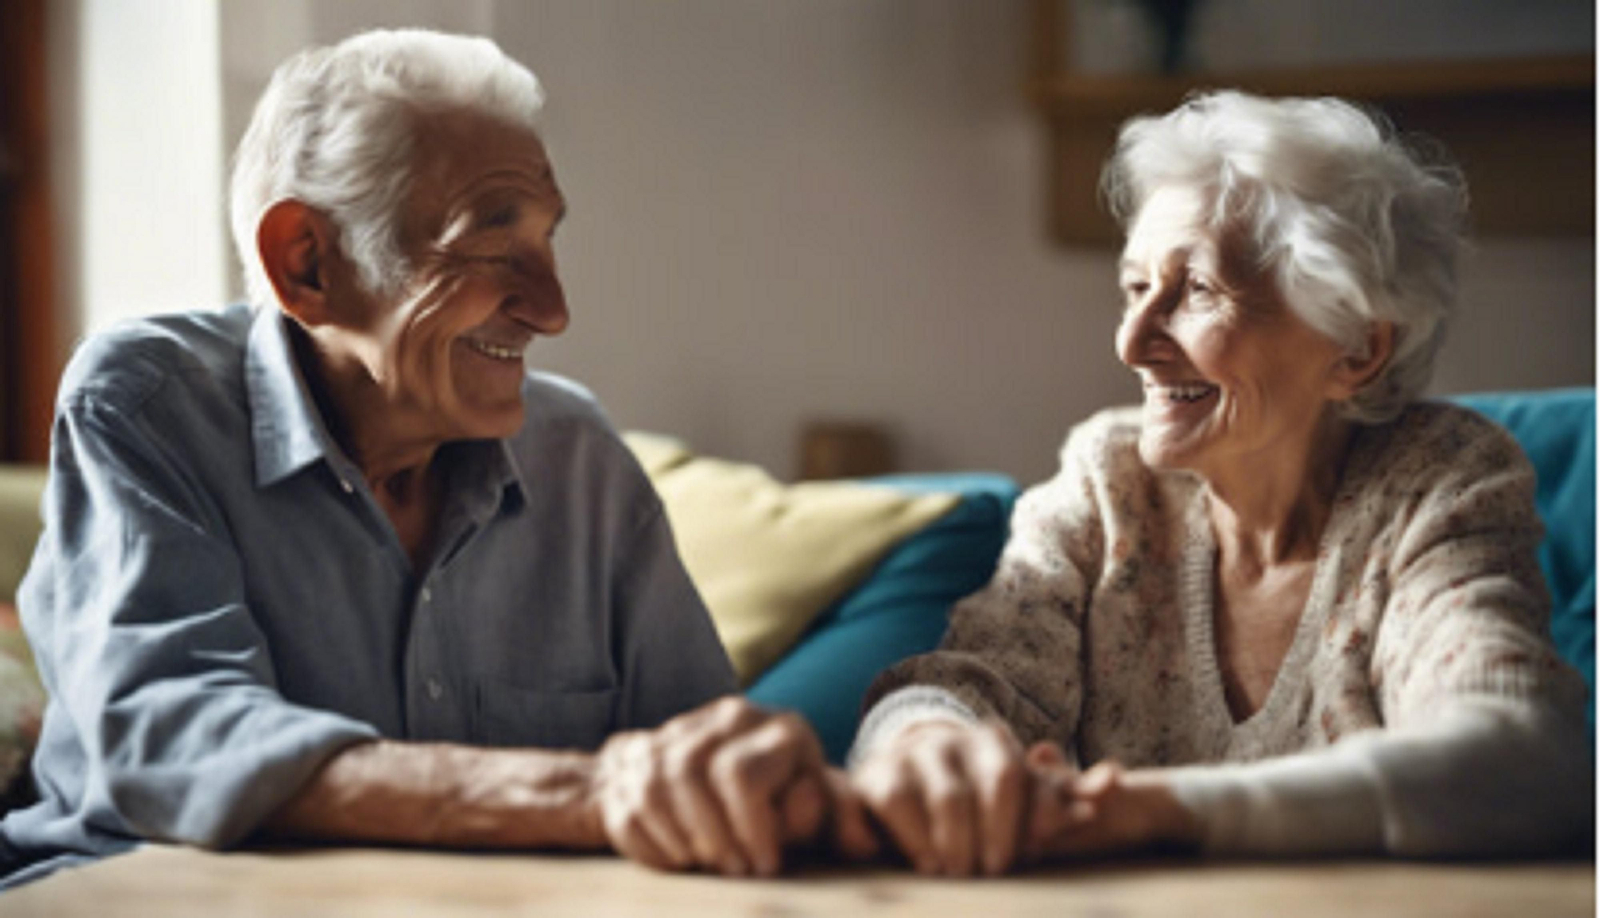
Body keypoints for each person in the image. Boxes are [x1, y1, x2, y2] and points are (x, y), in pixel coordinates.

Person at [0, 29, 873, 888]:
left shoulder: (578, 458)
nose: (553, 310)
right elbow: (172, 739)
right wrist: (589, 792)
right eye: (493, 248)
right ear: (306, 263)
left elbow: (706, 755)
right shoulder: (149, 403)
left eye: (548, 243)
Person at [846, 90, 1593, 875]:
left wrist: (1164, 811)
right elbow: (963, 682)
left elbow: (1521, 758)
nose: (1134, 343)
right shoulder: (1111, 480)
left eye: (1198, 291)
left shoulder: (1435, 483)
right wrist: (927, 744)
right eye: (1136, 289)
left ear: (1356, 349)